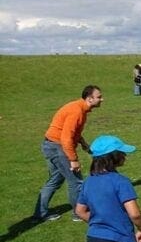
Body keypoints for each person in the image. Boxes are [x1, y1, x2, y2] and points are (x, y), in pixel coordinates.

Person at [75, 135, 141, 242]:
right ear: (113, 158)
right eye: (122, 153)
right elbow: (134, 214)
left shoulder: (89, 181)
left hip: (94, 238)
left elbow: (80, 211)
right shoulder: (120, 181)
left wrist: (100, 221)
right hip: (119, 238)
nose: (125, 156)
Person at [33, 85, 103, 222]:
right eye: (99, 97)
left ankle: (40, 213)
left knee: (55, 180)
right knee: (76, 181)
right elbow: (66, 138)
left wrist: (83, 144)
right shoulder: (76, 111)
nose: (102, 99)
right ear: (89, 99)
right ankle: (79, 213)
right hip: (57, 147)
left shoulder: (80, 109)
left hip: (51, 145)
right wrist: (73, 159)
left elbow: (73, 132)